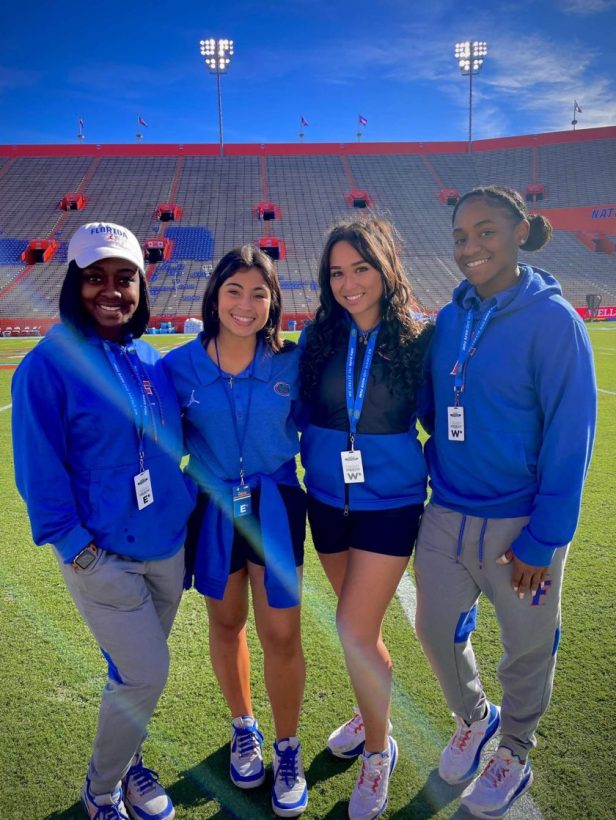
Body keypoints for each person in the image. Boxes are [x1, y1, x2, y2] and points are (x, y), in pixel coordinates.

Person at [414, 186, 597, 818]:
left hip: (521, 523)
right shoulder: (450, 320)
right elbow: (432, 409)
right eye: (461, 236)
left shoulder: (555, 322)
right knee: (434, 629)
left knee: (525, 648)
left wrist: (543, 541)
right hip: (446, 514)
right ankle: (475, 716)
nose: (470, 247)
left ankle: (516, 747)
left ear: (521, 231)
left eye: (486, 231)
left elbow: (571, 441)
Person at [11, 222, 196, 819]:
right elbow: (39, 474)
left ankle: (130, 762)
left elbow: (169, 444)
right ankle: (100, 789)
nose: (110, 291)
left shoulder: (148, 356)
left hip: (167, 548)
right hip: (104, 557)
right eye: (94, 278)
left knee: (130, 678)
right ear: (73, 283)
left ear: (142, 286)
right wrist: (80, 552)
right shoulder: (47, 366)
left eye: (124, 278)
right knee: (146, 675)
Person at [163, 246, 308, 818]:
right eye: (234, 291)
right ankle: (243, 726)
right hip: (213, 508)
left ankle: (288, 746)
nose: (245, 305)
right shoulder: (178, 366)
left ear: (272, 302)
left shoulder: (291, 363)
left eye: (258, 293)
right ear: (215, 295)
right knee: (226, 622)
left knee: (282, 633)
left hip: (275, 505)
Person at [299, 217, 433, 820]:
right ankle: (369, 706)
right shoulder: (317, 338)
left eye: (361, 268)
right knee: (363, 634)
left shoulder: (416, 339)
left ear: (385, 268)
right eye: (337, 272)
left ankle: (379, 751)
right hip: (326, 503)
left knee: (353, 631)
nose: (349, 283)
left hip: (391, 506)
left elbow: (444, 420)